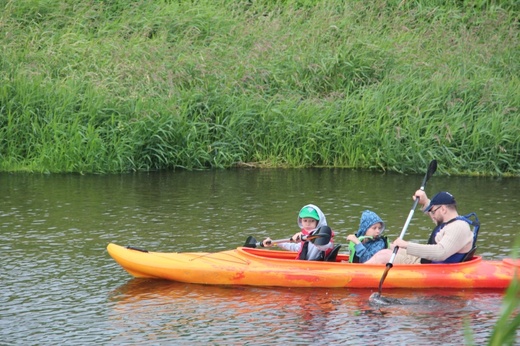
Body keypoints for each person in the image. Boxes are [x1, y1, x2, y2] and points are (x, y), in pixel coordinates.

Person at [365, 190, 474, 265]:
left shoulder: (458, 227)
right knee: (390, 247)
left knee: (383, 255)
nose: (432, 214)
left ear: (443, 209)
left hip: (430, 268)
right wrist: (425, 202)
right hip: (425, 261)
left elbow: (440, 252)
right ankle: (360, 263)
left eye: (433, 211)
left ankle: (357, 273)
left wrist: (407, 245)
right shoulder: (451, 223)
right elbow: (436, 218)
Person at [261, 204, 334, 261]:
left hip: (315, 267)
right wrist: (275, 243)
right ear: (301, 221)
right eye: (305, 220)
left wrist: (310, 239)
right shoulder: (305, 235)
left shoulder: (323, 236)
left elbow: (326, 247)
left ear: (318, 222)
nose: (308, 224)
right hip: (305, 265)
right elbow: (297, 247)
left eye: (312, 221)